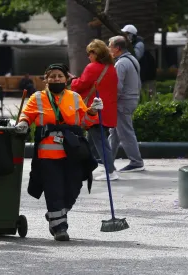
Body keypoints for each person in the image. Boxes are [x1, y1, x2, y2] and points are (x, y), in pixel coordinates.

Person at [15, 63, 102, 241]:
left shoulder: (75, 97)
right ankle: (59, 227)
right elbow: (26, 115)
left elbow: (85, 121)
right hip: (47, 155)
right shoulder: (37, 97)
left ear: (66, 79)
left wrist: (93, 111)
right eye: (52, 76)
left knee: (74, 187)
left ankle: (56, 215)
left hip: (73, 152)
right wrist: (23, 123)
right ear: (46, 79)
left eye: (60, 76)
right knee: (53, 190)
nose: (56, 79)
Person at [70, 39, 119, 181]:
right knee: (90, 141)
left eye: (90, 53)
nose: (88, 56)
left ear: (96, 53)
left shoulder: (92, 67)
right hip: (107, 109)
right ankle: (84, 168)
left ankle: (110, 171)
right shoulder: (111, 68)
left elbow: (80, 85)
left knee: (100, 141)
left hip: (94, 110)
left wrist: (72, 81)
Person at [108, 35, 145, 172]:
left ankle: (136, 162)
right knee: (115, 132)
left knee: (125, 133)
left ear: (117, 48)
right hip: (131, 99)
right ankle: (108, 158)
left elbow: (117, 86)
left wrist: (111, 102)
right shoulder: (132, 59)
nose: (108, 49)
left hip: (123, 102)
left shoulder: (121, 63)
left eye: (110, 46)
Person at [121, 24, 157, 93]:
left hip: (146, 76)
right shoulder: (130, 44)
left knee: (148, 95)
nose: (124, 36)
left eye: (126, 34)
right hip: (139, 75)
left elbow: (136, 57)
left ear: (131, 35)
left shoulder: (139, 44)